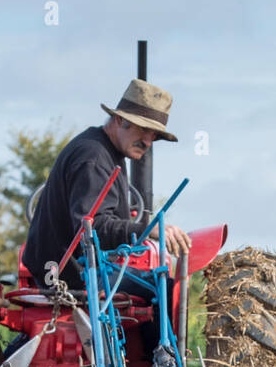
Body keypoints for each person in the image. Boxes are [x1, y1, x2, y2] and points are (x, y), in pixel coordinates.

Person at [21, 77, 190, 292]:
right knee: (163, 289)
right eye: (143, 130)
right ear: (120, 120)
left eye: (154, 135)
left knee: (156, 281)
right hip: (67, 275)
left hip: (80, 268)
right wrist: (149, 230)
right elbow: (92, 228)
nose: (148, 142)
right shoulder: (94, 157)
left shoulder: (106, 150)